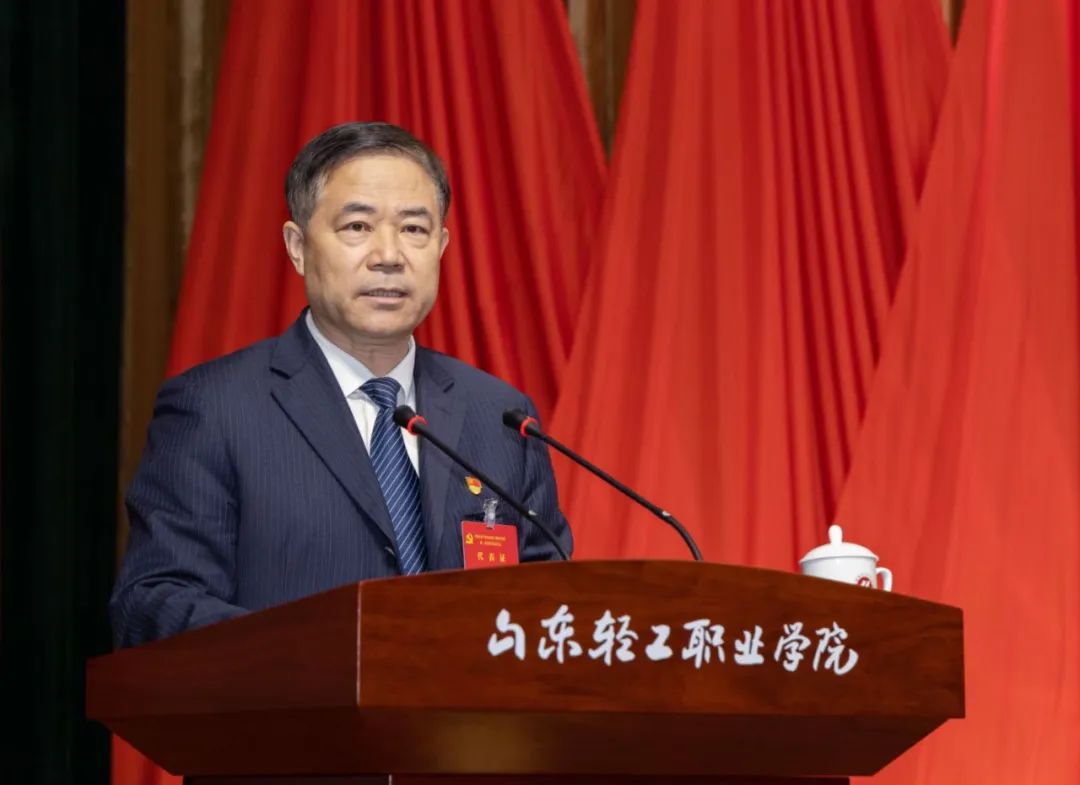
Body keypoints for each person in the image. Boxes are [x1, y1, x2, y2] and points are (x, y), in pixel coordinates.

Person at [110, 122, 572, 648]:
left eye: (414, 229)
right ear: (298, 247)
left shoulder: (501, 417)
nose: (389, 255)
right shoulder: (215, 409)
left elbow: (549, 610)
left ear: (441, 246)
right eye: (357, 226)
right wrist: (321, 655)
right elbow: (157, 602)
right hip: (294, 700)